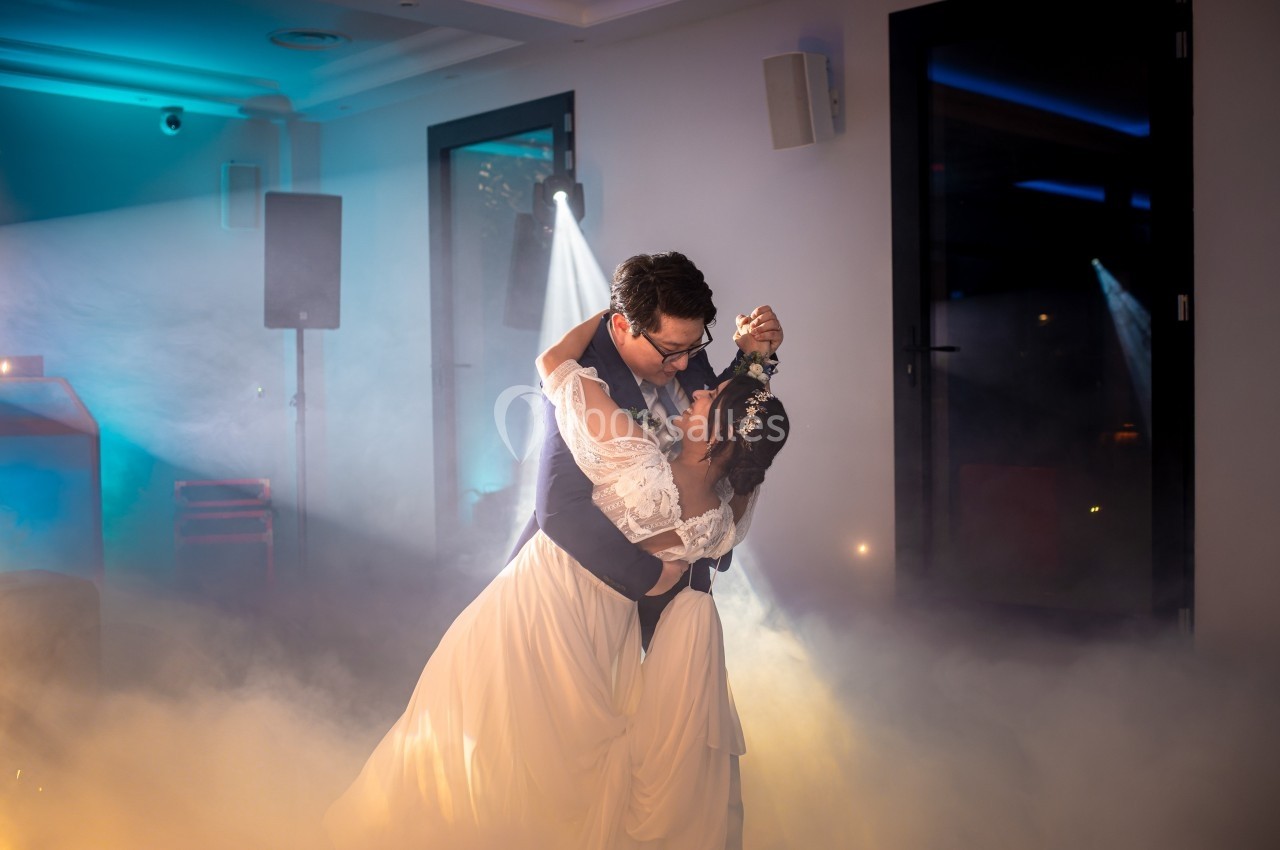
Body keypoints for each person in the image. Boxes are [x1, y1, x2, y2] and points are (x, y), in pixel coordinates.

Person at [322, 300, 790, 850]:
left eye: (696, 364)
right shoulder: (725, 501)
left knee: (504, 731)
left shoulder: (645, 466)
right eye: (677, 351)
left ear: (717, 434)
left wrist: (611, 317)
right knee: (586, 753)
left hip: (576, 604)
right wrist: (753, 365)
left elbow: (556, 368)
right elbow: (731, 451)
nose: (693, 378)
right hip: (629, 623)